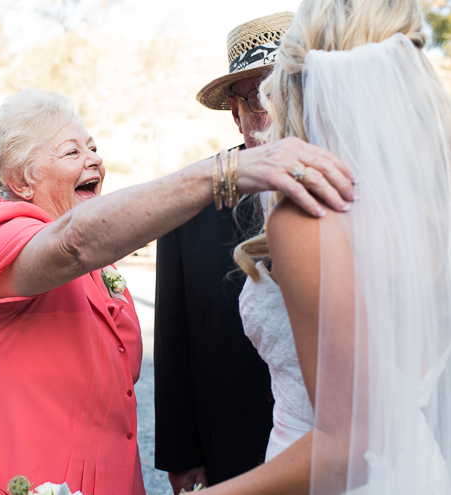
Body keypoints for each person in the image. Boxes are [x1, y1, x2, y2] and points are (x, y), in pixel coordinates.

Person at [0, 87, 354, 495]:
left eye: (93, 147)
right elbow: (74, 241)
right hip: (2, 480)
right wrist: (226, 172)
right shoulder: (2, 239)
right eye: (72, 152)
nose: (93, 161)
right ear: (20, 181)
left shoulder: (98, 266)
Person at [192, 0, 451, 493]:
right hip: (419, 470)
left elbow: (344, 450)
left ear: (294, 82)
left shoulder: (310, 214)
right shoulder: (435, 203)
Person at [154, 13, 292, 493]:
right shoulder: (188, 205)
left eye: (288, 89)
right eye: (258, 96)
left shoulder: (358, 189)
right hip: (229, 451)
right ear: (235, 112)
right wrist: (181, 452)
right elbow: (174, 338)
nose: (274, 112)